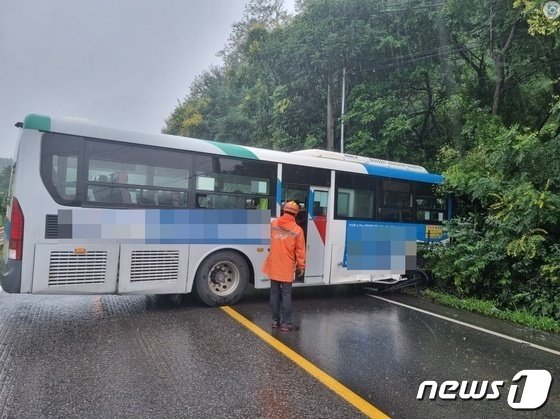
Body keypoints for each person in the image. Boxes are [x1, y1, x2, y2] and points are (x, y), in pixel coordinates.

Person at [261, 201, 306, 332]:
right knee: (286, 294)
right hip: (286, 266)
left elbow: (269, 238)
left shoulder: (274, 224)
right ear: (296, 213)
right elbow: (300, 251)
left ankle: (275, 321)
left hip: (273, 264)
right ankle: (286, 323)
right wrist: (301, 266)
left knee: (274, 293)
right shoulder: (297, 230)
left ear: (284, 210)